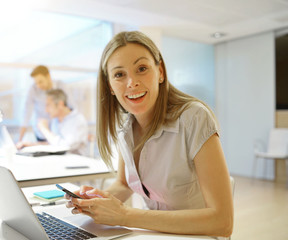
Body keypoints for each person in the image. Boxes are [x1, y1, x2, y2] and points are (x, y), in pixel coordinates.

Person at [65, 31, 234, 238]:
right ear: (110, 85)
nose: (131, 83)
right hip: (155, 234)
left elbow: (222, 221)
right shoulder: (125, 128)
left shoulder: (194, 117)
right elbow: (124, 183)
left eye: (142, 69)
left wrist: (125, 215)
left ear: (160, 72)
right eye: (119, 74)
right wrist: (98, 201)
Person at [19, 89, 89, 156]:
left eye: (48, 105)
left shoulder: (77, 120)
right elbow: (54, 144)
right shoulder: (55, 121)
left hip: (75, 164)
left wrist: (45, 129)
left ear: (60, 104)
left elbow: (64, 147)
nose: (46, 110)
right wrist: (32, 145)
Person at [17, 65, 53, 147]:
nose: (38, 86)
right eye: (36, 83)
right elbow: (26, 114)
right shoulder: (33, 89)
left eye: (40, 82)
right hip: (41, 133)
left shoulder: (59, 87)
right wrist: (19, 140)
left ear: (48, 76)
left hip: (56, 132)